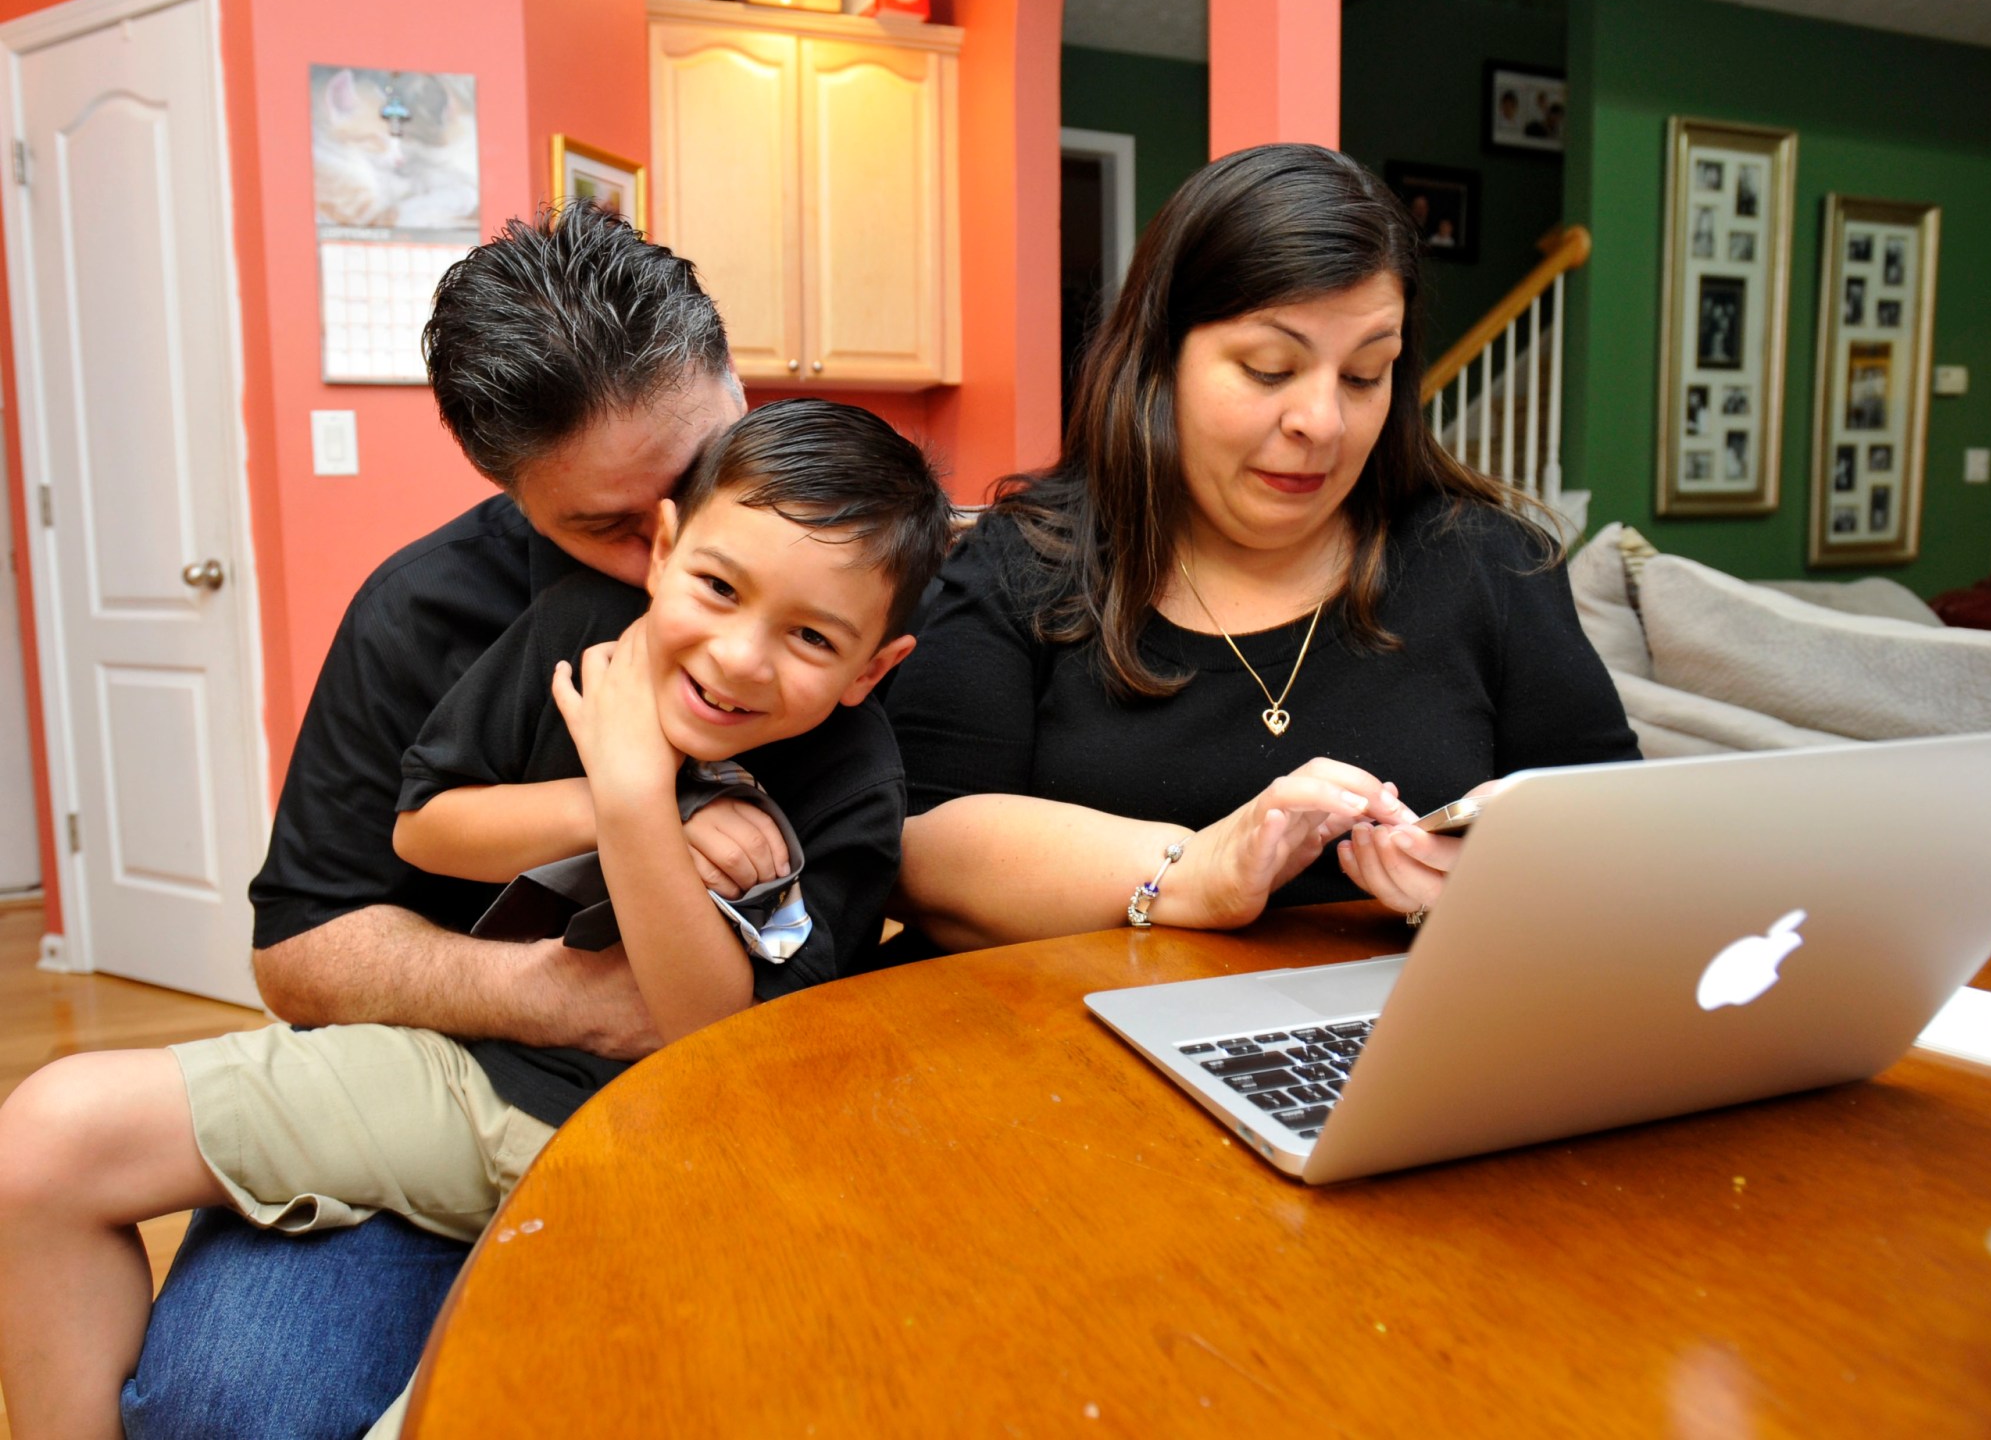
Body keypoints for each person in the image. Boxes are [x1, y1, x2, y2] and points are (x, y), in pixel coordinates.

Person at [0, 400, 957, 1438]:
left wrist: (642, 800)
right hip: (464, 1071)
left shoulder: (859, 789)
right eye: (718, 587)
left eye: (810, 635)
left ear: (874, 667)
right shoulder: (569, 633)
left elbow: (705, 1038)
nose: (735, 656)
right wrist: (625, 796)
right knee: (45, 1136)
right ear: (666, 545)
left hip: (653, 1153)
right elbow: (424, 827)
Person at [133, 201, 748, 1439]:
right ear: (505, 488)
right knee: (228, 1409)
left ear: (737, 375)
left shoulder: (867, 555)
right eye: (604, 526)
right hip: (445, 1101)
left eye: (691, 482)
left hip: (736, 1113)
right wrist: (562, 995)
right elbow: (298, 948)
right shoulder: (417, 618)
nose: (664, 556)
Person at [886, 144, 1638, 951]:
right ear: (1160, 362)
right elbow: (918, 853)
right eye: (1270, 368)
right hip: (1071, 1053)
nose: (1324, 422)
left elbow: (1628, 844)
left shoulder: (1491, 563)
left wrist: (1511, 887)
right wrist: (1199, 872)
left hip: (1398, 1054)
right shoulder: (1023, 565)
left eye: (1364, 375)